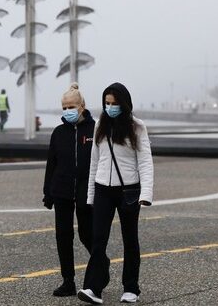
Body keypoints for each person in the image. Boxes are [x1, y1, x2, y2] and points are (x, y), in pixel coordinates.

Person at [78, 83, 154, 305]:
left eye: (114, 103)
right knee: (98, 239)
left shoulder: (137, 127)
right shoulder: (100, 125)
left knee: (130, 239)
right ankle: (93, 288)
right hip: (103, 188)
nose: (110, 107)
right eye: (107, 103)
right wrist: (91, 195)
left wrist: (146, 193)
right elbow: (94, 161)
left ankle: (131, 288)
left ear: (124, 104)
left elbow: (146, 162)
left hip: (128, 190)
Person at [43, 83, 95, 297]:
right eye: (64, 107)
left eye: (71, 107)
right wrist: (48, 193)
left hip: (86, 191)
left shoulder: (94, 130)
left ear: (82, 106)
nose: (67, 111)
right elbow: (51, 164)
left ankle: (100, 267)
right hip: (62, 191)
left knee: (87, 234)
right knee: (63, 236)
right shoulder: (58, 132)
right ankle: (68, 281)